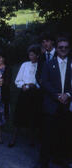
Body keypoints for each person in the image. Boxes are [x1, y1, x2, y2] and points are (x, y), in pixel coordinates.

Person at [35, 37, 72, 168]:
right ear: (57, 48)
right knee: (47, 135)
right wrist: (57, 95)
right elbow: (44, 82)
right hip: (52, 103)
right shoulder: (49, 64)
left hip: (67, 104)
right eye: (60, 47)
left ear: (69, 48)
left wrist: (68, 94)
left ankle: (60, 158)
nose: (63, 50)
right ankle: (43, 162)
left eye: (65, 47)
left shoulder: (71, 64)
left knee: (64, 133)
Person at [9, 44, 42, 147]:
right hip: (24, 93)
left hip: (34, 94)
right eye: (29, 55)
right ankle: (13, 139)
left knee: (33, 116)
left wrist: (34, 85)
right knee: (19, 116)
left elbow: (41, 81)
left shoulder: (41, 65)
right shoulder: (25, 65)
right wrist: (22, 85)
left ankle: (32, 139)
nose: (30, 57)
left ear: (37, 55)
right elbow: (18, 79)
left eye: (33, 55)